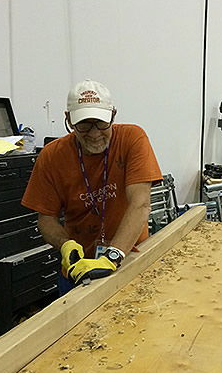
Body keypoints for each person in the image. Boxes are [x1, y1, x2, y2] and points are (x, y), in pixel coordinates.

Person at [22, 79, 162, 293]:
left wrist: (113, 255)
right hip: (79, 271)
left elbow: (140, 204)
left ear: (113, 115)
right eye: (84, 125)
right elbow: (46, 219)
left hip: (127, 262)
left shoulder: (132, 138)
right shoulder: (51, 156)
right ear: (68, 119)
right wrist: (65, 244)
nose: (95, 133)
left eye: (101, 123)